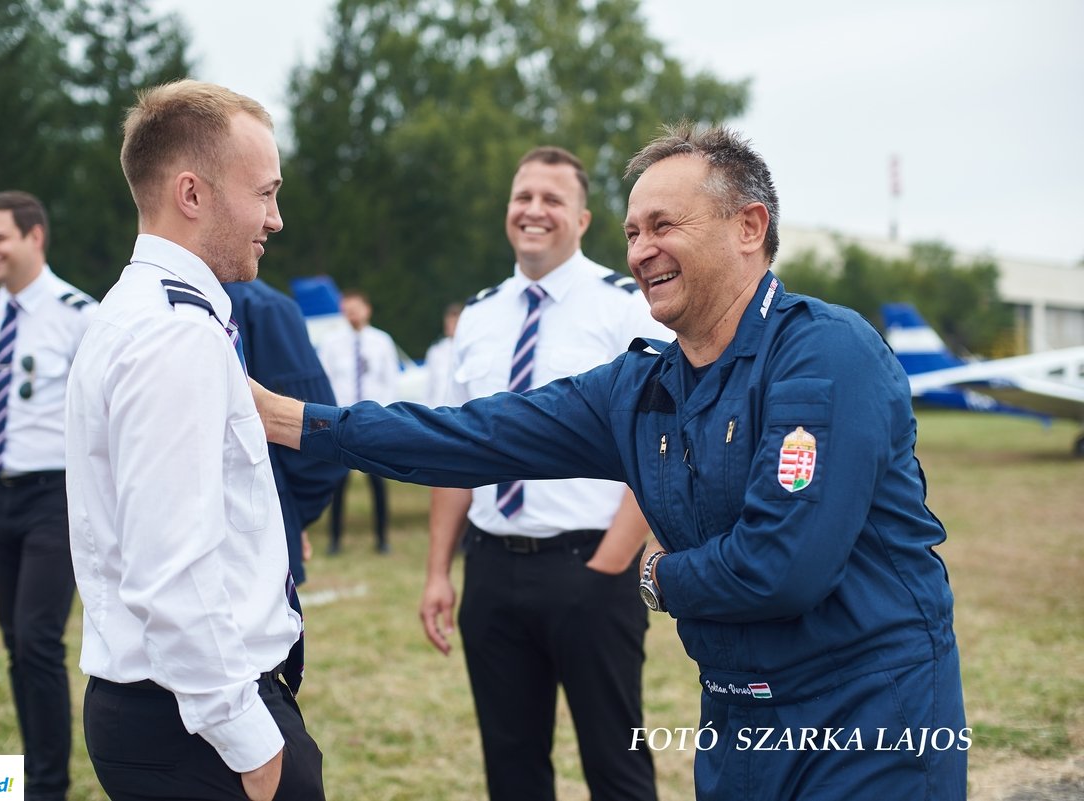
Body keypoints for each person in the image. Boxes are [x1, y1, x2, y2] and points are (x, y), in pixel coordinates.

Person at [254, 121, 969, 801]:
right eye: (633, 232)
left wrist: (652, 574)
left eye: (664, 225)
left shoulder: (826, 354)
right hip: (737, 716)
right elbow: (467, 436)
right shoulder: (642, 386)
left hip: (871, 719)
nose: (641, 250)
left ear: (749, 228)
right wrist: (293, 420)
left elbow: (778, 568)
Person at [64, 80, 324, 801]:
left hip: (175, 711)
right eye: (265, 192)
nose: (276, 218)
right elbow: (169, 568)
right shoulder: (173, 334)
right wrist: (251, 743)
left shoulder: (143, 310)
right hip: (196, 725)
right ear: (192, 193)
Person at [419, 146, 665, 801]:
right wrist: (441, 569)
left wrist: (609, 566)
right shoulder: (478, 314)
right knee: (512, 766)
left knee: (617, 765)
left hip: (591, 566)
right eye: (523, 197)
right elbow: (454, 448)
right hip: (493, 572)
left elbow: (661, 447)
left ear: (583, 219)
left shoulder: (625, 307)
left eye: (552, 199)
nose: (534, 210)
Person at [0, 190, 93, 801]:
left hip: (56, 496)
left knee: (39, 639)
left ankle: (47, 786)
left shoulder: (79, 316)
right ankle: (36, 769)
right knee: (16, 644)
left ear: (35, 236)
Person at [225, 277, 348, 584]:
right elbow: (320, 447)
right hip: (256, 543)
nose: (274, 225)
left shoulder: (125, 306)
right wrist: (289, 518)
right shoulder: (265, 307)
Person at [316, 289, 398, 554]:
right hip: (341, 419)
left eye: (356, 308)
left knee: (377, 481)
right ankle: (335, 540)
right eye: (346, 309)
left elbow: (390, 381)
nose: (351, 314)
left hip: (372, 420)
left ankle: (382, 538)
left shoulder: (382, 342)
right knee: (338, 484)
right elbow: (323, 381)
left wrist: (383, 416)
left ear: (367, 309)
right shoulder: (331, 344)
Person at [421, 300, 462, 407]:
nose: (450, 325)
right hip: (437, 408)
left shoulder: (468, 349)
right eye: (448, 321)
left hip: (459, 411)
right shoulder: (436, 350)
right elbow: (428, 385)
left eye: (454, 322)